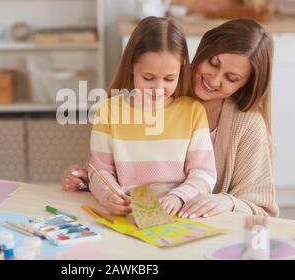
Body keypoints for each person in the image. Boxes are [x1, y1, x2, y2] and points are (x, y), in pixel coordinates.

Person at [62, 18, 279, 218]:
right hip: (138, 220)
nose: (214, 79)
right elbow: (108, 169)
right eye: (213, 63)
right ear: (204, 50)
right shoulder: (154, 93)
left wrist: (227, 201)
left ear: (244, 85)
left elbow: (262, 210)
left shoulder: (247, 125)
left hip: (198, 230)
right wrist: (85, 180)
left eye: (231, 78)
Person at [87, 16, 216, 216]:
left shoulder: (193, 111)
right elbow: (98, 171)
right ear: (131, 67)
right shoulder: (108, 111)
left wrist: (178, 196)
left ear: (181, 70)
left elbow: (204, 174)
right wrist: (110, 195)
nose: (158, 88)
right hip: (128, 213)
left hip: (179, 212)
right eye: (148, 78)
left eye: (169, 79)